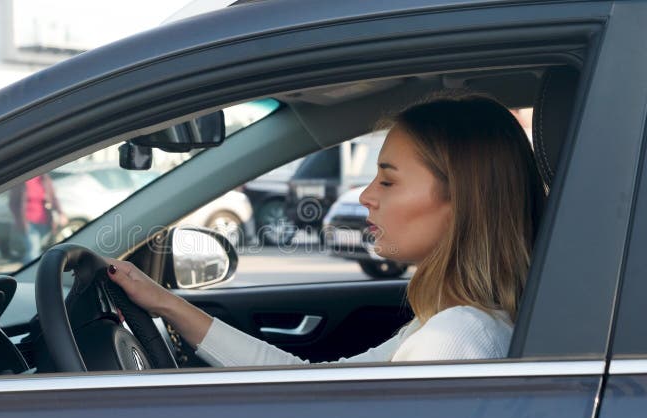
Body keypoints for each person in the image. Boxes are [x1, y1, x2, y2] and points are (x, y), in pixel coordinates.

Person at [105, 93, 546, 366]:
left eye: (388, 180)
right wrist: (165, 303)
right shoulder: (449, 323)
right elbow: (310, 387)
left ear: (463, 199)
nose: (367, 195)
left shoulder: (456, 339)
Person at [9, 174, 67, 263]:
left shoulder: (44, 178)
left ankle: (28, 268)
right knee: (33, 248)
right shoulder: (21, 181)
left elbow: (53, 198)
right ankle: (29, 272)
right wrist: (18, 219)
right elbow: (12, 203)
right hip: (27, 222)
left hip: (45, 221)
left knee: (37, 249)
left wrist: (61, 213)